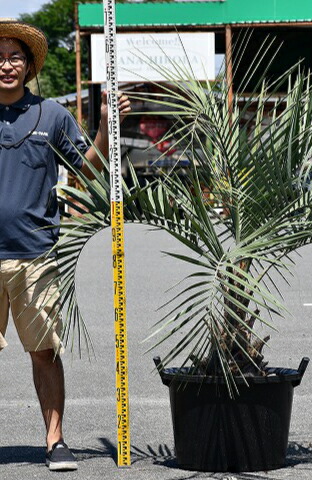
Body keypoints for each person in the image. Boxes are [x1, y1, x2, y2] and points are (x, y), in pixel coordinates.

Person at [0, 19, 131, 471]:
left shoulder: (52, 115)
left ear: (30, 64)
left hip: (34, 255)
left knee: (44, 352)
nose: (6, 64)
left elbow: (88, 168)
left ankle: (55, 441)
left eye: (15, 56)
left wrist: (106, 126)